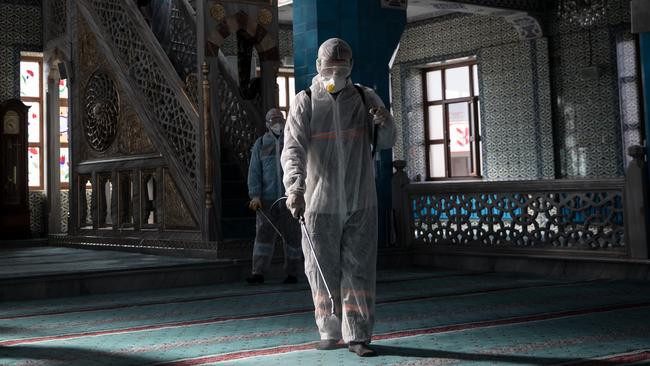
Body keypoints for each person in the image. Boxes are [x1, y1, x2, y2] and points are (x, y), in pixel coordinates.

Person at [281, 38, 396, 357]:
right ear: (318, 67)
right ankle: (329, 330)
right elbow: (293, 149)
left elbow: (386, 142)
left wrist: (384, 121)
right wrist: (295, 187)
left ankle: (359, 335)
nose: (335, 74)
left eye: (341, 69)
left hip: (361, 200)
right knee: (321, 270)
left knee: (359, 271)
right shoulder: (305, 101)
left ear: (351, 68)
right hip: (320, 203)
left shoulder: (364, 97)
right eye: (330, 68)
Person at [246, 108, 302, 285]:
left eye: (279, 119)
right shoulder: (261, 144)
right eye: (273, 120)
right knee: (263, 237)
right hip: (267, 200)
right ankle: (258, 272)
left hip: (289, 199)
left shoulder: (291, 142)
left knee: (292, 236)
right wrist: (254, 195)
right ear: (267, 124)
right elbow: (254, 172)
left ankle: (292, 273)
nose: (277, 123)